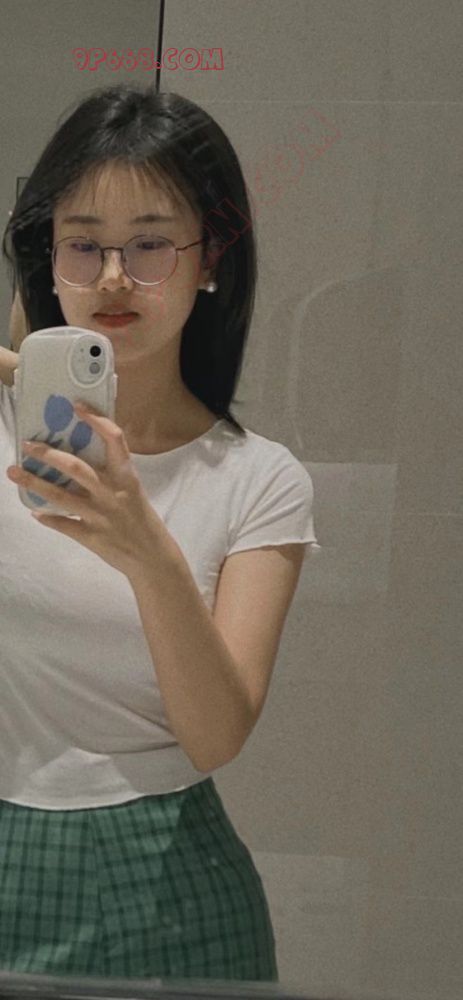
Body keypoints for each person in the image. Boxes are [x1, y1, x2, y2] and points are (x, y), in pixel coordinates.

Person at [0, 84, 320, 982]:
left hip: (168, 878)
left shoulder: (258, 480)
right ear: (48, 257)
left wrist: (146, 551)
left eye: (148, 244)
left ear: (208, 257)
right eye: (83, 243)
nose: (112, 277)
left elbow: (216, 735)